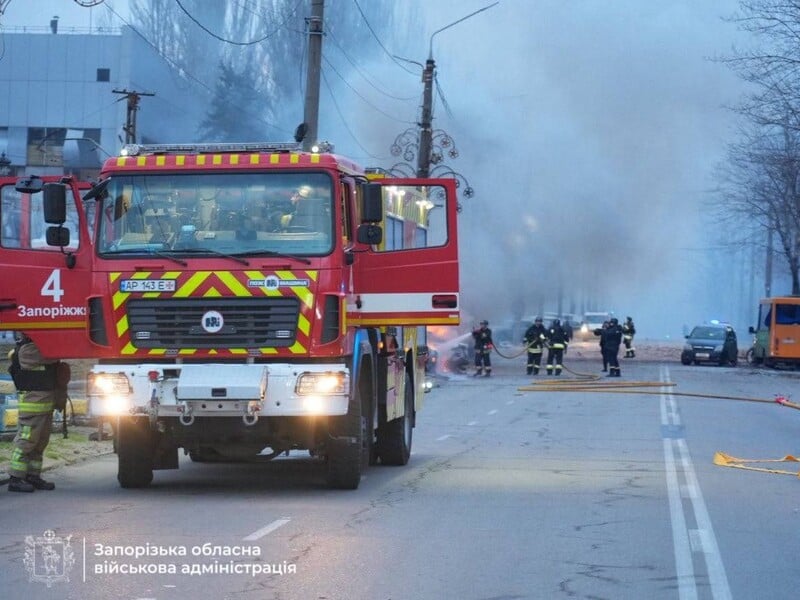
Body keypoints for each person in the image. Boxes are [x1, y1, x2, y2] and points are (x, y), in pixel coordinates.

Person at [7, 334, 68, 492]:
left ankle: (33, 475)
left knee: (41, 441)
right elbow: (51, 357)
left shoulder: (41, 349)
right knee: (27, 440)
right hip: (33, 405)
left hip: (45, 403)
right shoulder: (28, 351)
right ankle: (15, 477)